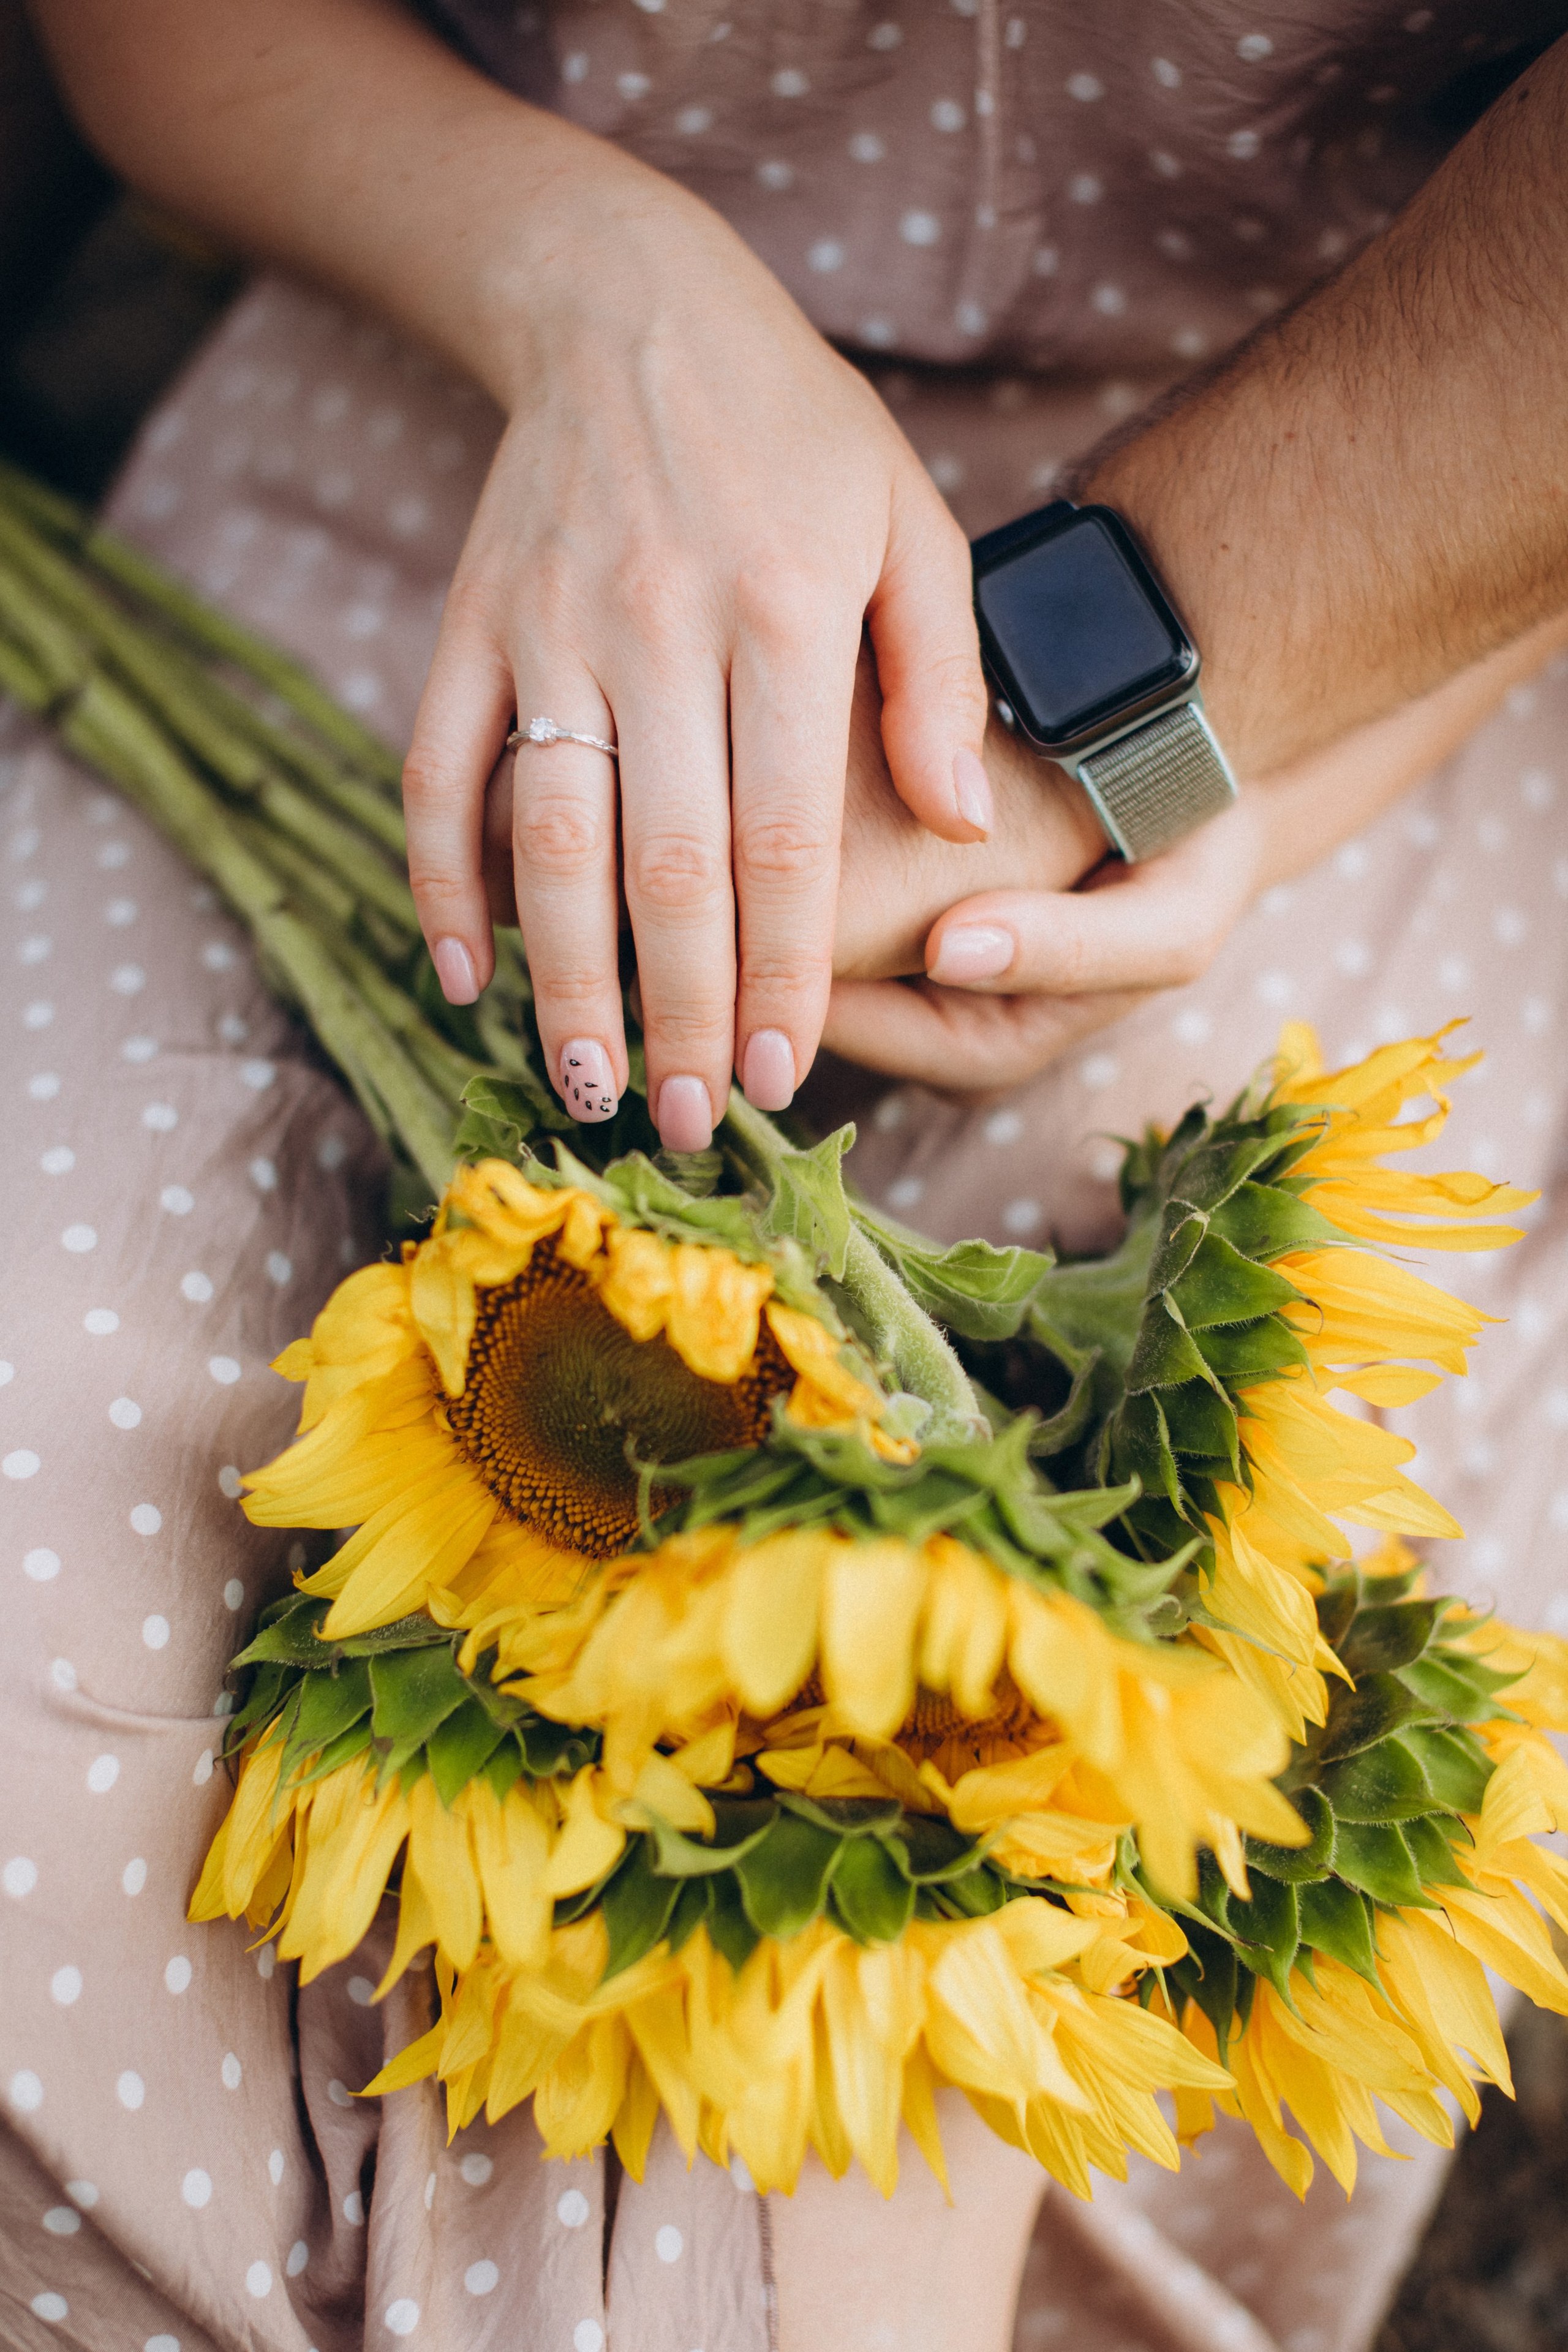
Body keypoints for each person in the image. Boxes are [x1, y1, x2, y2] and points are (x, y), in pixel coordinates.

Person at [4, 6, 1568, 2349]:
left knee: (921, 2062)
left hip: (1343, 537)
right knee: (54, 1628)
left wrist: (1170, 737)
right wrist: (602, 295)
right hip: (452, 412)